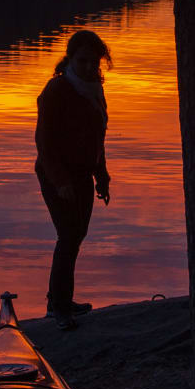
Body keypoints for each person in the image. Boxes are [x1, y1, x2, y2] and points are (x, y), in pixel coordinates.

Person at [35, 29, 112, 329]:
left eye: (94, 63)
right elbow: (44, 143)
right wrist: (60, 181)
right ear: (70, 59)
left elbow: (97, 139)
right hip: (56, 175)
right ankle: (60, 309)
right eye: (83, 61)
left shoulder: (94, 90)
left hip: (81, 173)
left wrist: (101, 176)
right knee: (68, 236)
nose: (89, 68)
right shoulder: (56, 91)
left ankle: (59, 300)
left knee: (76, 236)